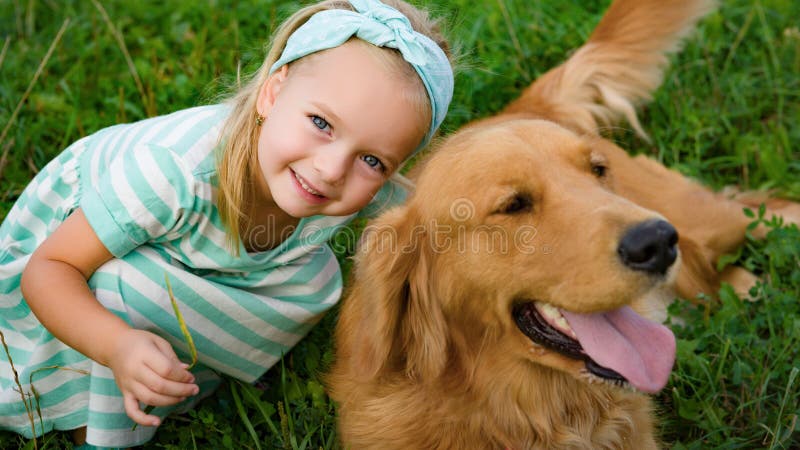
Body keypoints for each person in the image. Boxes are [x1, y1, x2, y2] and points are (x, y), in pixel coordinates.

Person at [0, 0, 454, 447]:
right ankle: (99, 418)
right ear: (272, 93)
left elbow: (440, 223)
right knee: (128, 285)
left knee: (314, 278)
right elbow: (50, 270)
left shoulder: (335, 178)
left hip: (193, 257)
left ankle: (182, 363)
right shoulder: (170, 173)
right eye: (321, 123)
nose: (333, 169)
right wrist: (115, 345)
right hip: (70, 268)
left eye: (373, 160)